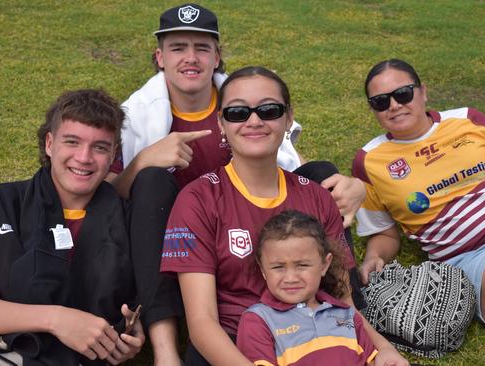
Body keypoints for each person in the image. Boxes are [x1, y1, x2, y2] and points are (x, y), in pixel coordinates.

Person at [104, 4, 366, 362]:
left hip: (249, 217)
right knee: (150, 183)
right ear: (160, 57)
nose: (190, 58)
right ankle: (165, 348)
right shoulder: (132, 114)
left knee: (321, 172)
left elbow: (291, 162)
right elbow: (105, 199)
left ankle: (349, 313)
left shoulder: (246, 99)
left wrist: (353, 186)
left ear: (217, 56)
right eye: (178, 48)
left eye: (202, 48)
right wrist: (142, 160)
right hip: (177, 229)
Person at [160, 66, 407, 365]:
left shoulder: (316, 197)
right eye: (238, 112)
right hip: (234, 346)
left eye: (269, 110)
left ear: (288, 117)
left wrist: (384, 349)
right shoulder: (198, 199)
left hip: (315, 340)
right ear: (221, 123)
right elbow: (202, 324)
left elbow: (343, 301)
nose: (254, 121)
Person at [0, 89, 147, 365]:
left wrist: (129, 337)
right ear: (50, 144)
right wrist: (56, 319)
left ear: (114, 153)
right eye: (72, 142)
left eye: (100, 147)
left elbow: (135, 313)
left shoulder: (129, 218)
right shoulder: (1, 202)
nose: (84, 157)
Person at [353, 58, 485, 346]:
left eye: (404, 93)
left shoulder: (468, 119)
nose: (394, 105)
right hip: (475, 254)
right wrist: (375, 256)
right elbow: (383, 231)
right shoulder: (369, 161)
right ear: (373, 109)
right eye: (381, 101)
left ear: (423, 92)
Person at [237, 210, 378, 366]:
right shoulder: (258, 319)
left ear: (325, 264)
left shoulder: (346, 313)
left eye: (302, 265)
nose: (290, 278)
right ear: (263, 269)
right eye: (278, 267)